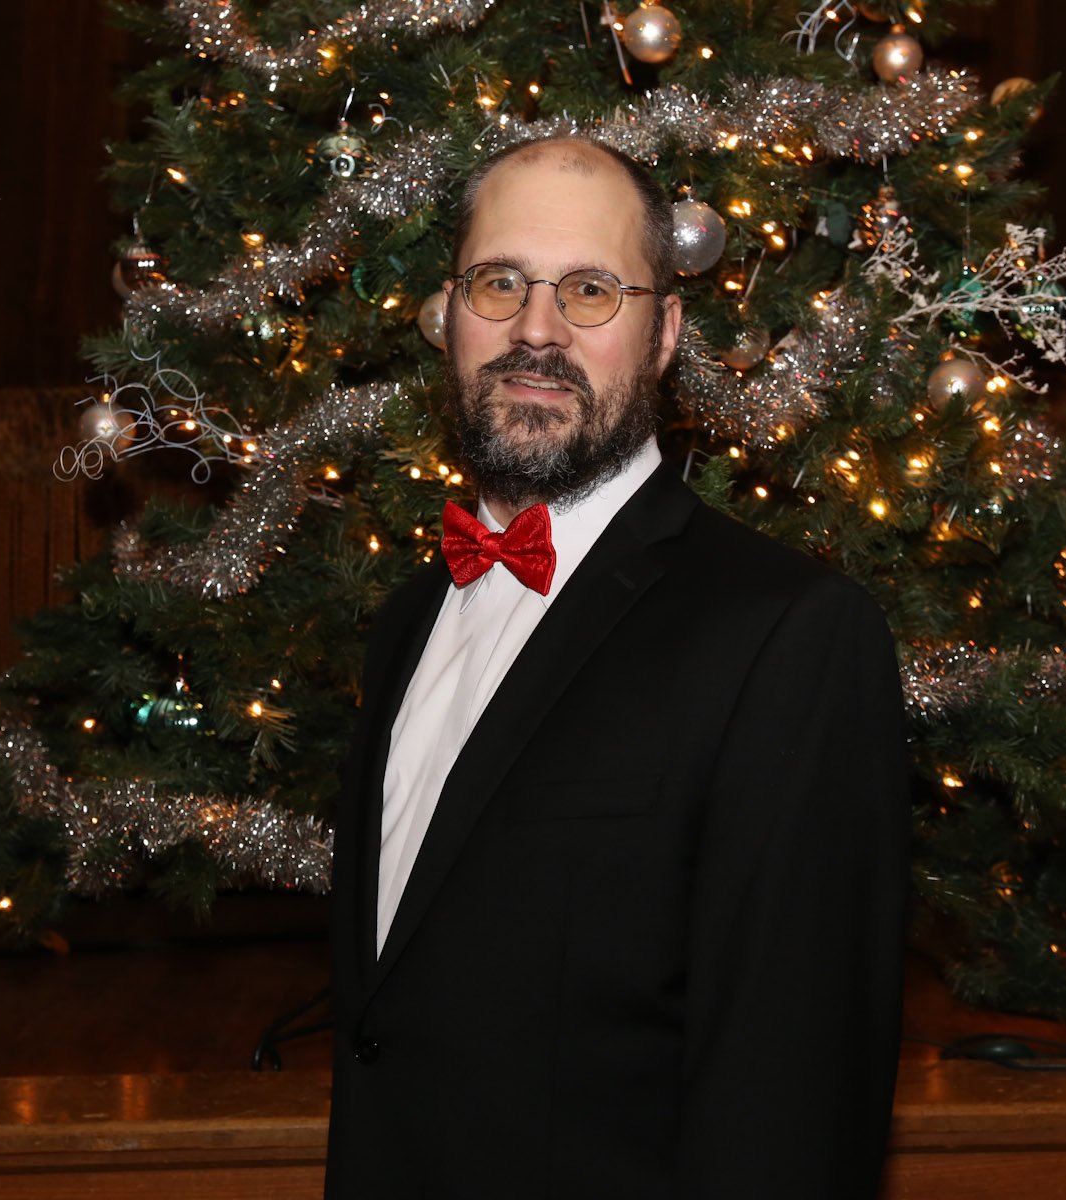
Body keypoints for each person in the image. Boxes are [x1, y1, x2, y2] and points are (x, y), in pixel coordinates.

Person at [325, 136, 910, 1199]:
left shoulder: (790, 634)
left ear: (664, 334)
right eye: (499, 282)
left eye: (591, 290)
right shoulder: (407, 620)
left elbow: (791, 1103)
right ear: (448, 313)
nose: (536, 329)